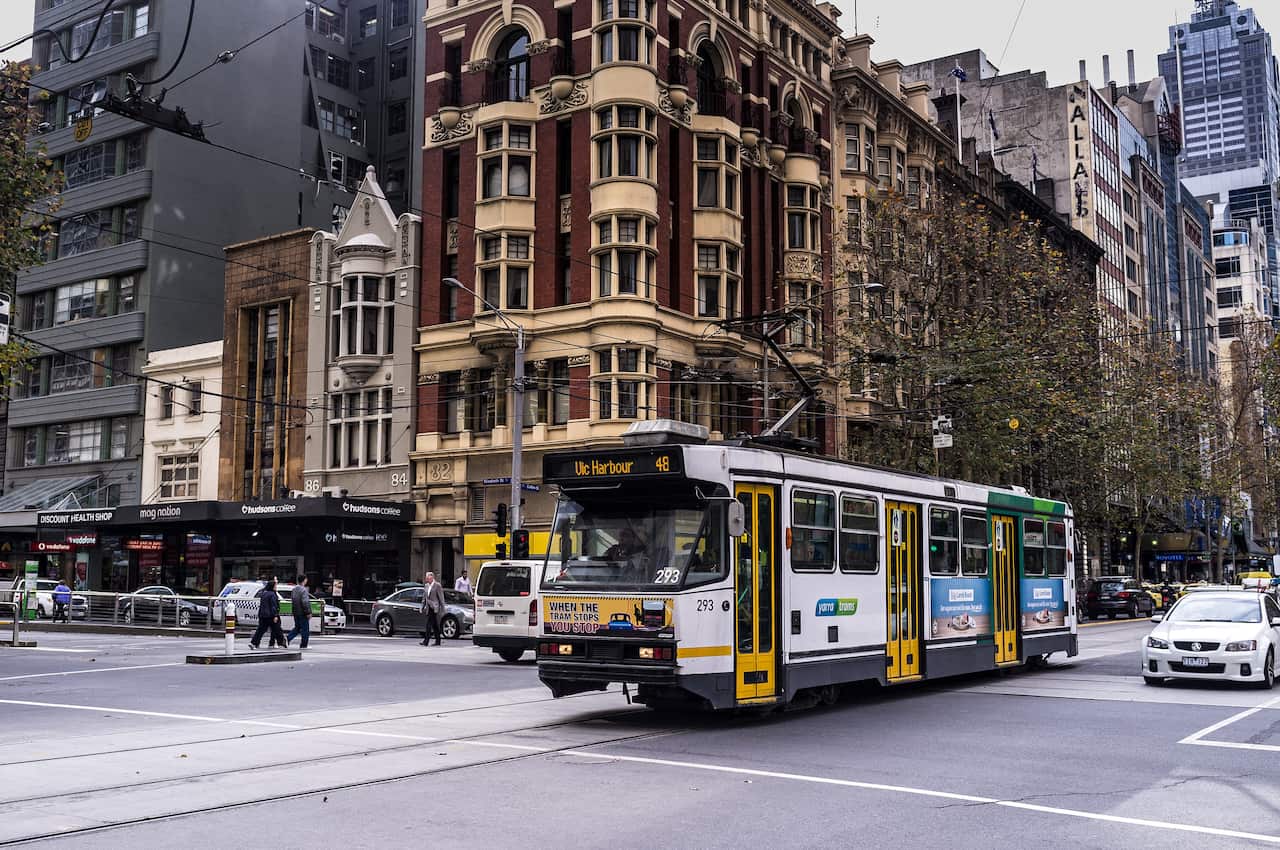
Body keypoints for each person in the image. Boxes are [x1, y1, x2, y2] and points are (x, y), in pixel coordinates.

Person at [249, 579, 286, 650]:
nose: (276, 587)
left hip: (263, 615)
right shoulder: (273, 594)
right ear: (272, 586)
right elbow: (273, 606)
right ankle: (280, 643)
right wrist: (275, 615)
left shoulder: (264, 593)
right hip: (271, 616)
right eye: (275, 585)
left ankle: (254, 643)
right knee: (277, 629)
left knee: (260, 630)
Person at [286, 575, 312, 649]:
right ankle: (304, 644)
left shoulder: (294, 589)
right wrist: (308, 612)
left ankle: (287, 639)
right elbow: (305, 602)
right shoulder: (303, 590)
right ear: (304, 580)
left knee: (297, 627)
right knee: (305, 629)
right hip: (303, 612)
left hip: (296, 611)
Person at [420, 571, 445, 646]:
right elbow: (424, 598)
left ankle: (426, 641)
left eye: (428, 577)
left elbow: (441, 598)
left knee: (429, 624)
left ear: (432, 577)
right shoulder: (426, 585)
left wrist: (443, 608)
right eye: (426, 578)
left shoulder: (437, 585)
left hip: (434, 607)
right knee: (435, 625)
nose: (427, 579)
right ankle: (438, 641)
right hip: (428, 607)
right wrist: (422, 607)